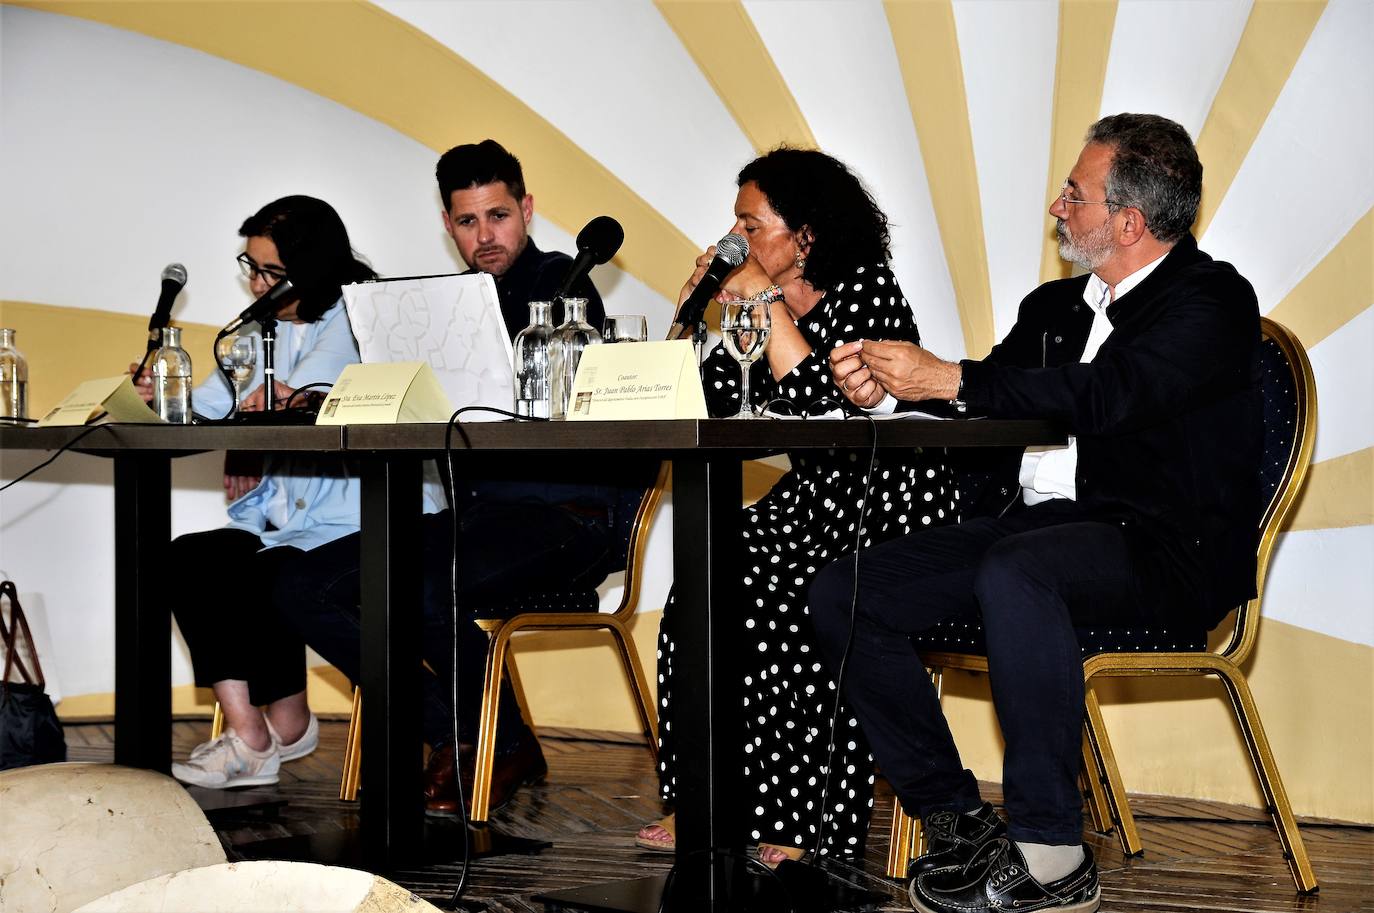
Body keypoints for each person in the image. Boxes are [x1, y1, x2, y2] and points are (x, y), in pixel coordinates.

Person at [815, 114, 1261, 913]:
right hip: (1035, 537)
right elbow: (994, 395)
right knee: (846, 591)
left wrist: (949, 378)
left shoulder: (1212, 301)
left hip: (1160, 547)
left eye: (1074, 193)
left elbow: (1107, 395)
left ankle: (1054, 855)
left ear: (1127, 221)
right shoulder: (1054, 306)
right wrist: (896, 391)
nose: (1058, 207)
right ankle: (957, 821)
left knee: (1017, 570)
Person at [275, 139, 639, 817]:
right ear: (448, 224)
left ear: (527, 209)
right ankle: (467, 730)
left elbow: (587, 412)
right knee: (296, 584)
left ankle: (486, 743)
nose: (485, 235)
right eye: (468, 221)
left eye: (498, 215)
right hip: (478, 517)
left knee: (420, 584)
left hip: (571, 516)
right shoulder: (435, 309)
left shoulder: (565, 281)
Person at [636, 148, 958, 864]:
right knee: (703, 586)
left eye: (752, 225)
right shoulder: (753, 307)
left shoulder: (867, 291)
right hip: (814, 500)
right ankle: (706, 797)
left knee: (792, 596)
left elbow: (825, 414)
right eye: (736, 225)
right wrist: (691, 315)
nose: (736, 240)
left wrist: (764, 301)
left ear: (804, 236)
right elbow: (690, 400)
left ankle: (800, 822)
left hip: (883, 503)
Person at [129, 195, 377, 788]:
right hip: (290, 523)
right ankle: (252, 736)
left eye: (271, 272)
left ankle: (288, 723)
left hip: (365, 518)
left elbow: (303, 396)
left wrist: (255, 412)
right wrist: (157, 397)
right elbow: (210, 409)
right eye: (251, 266)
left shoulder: (358, 315)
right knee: (188, 558)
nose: (257, 284)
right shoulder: (255, 331)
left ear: (313, 268)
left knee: (263, 572)